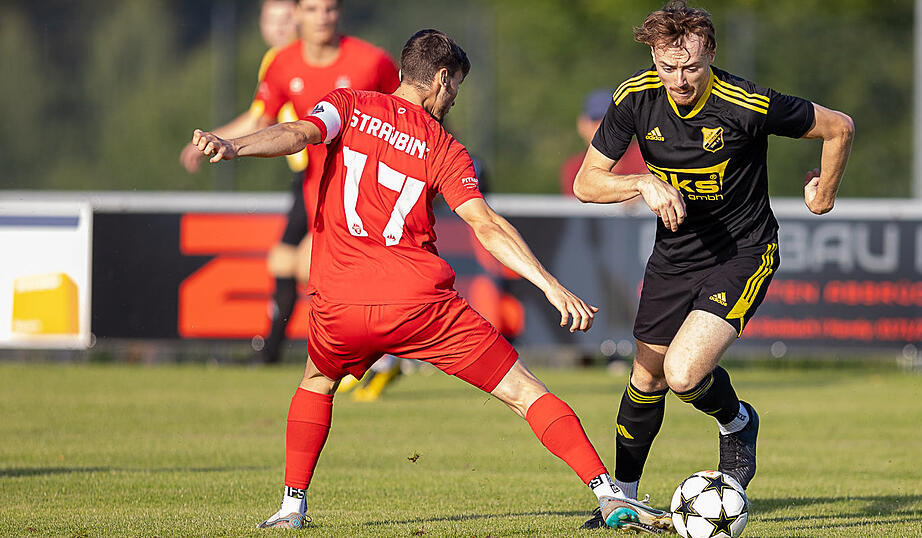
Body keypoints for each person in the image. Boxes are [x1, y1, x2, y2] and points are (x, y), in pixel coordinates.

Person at [191, 29, 674, 533]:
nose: (454, 99)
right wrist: (549, 283)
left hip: (341, 303)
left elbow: (297, 135)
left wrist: (233, 145)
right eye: (456, 88)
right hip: (419, 305)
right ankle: (608, 494)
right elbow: (485, 224)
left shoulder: (347, 105)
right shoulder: (445, 147)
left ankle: (292, 507)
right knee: (525, 392)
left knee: (316, 382)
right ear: (442, 79)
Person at [573, 0, 854, 529]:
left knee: (683, 373)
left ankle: (737, 422)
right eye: (668, 66)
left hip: (742, 252)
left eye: (691, 67)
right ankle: (624, 501)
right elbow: (585, 182)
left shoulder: (744, 102)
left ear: (712, 56)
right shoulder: (635, 98)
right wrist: (640, 181)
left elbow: (839, 127)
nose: (679, 79)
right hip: (674, 256)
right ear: (653, 57)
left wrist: (824, 196)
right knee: (646, 378)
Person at [180, 0, 400, 366]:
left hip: (366, 193)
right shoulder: (283, 64)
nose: (321, 18)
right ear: (297, 14)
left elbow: (411, 116)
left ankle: (377, 357)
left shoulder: (371, 61)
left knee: (312, 268)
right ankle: (371, 358)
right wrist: (215, 141)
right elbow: (261, 120)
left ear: (339, 13)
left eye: (329, 9)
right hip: (317, 187)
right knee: (291, 264)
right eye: (312, 9)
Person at [560, 89, 648, 196]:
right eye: (595, 121)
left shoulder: (647, 154)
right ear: (582, 125)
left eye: (610, 122)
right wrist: (632, 189)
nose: (602, 129)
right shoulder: (574, 168)